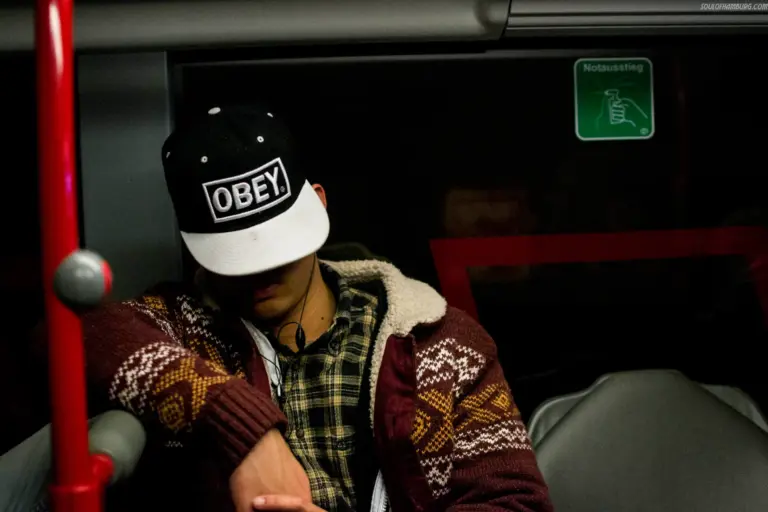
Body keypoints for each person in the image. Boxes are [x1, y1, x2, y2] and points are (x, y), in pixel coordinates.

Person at [32, 105, 553, 512]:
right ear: (194, 245)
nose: (260, 273)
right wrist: (235, 423)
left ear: (319, 204)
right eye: (235, 257)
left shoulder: (440, 344)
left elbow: (515, 504)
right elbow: (70, 334)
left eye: (277, 249)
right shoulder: (181, 328)